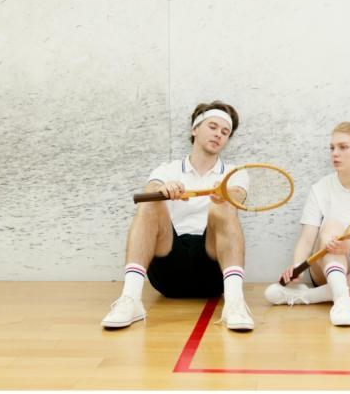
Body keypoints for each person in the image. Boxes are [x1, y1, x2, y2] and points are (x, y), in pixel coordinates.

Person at [101, 100, 254, 331]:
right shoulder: (167, 169)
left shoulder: (234, 174)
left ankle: (235, 303)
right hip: (168, 272)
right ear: (195, 129)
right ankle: (130, 300)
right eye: (212, 127)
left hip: (212, 272)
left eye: (225, 132)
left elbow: (238, 195)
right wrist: (163, 191)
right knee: (152, 201)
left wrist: (223, 194)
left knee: (222, 206)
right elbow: (151, 188)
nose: (218, 135)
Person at [264, 121, 350, 326]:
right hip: (327, 264)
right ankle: (341, 301)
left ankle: (305, 297)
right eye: (332, 148)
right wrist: (297, 268)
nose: (335, 153)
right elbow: (306, 239)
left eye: (343, 147)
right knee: (331, 225)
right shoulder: (320, 188)